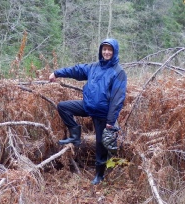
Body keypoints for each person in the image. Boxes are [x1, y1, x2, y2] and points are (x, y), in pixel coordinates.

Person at [49, 38, 127, 185]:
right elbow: (76, 70)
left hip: (103, 114)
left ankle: (99, 174)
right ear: (100, 51)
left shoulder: (118, 72)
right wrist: (57, 73)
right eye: (104, 49)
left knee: (100, 144)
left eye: (109, 50)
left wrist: (111, 121)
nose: (106, 52)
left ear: (114, 51)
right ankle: (75, 135)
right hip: (88, 106)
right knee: (63, 107)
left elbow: (117, 99)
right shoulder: (93, 67)